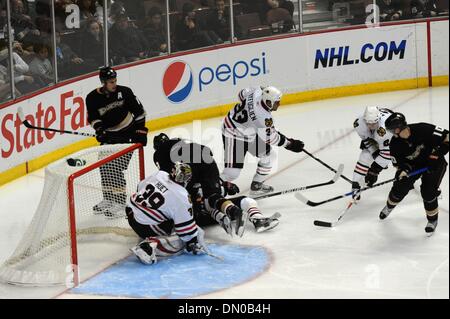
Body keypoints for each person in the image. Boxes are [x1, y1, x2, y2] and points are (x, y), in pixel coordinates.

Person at [85, 66, 148, 218]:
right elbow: (93, 118)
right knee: (104, 167)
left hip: (128, 134)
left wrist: (141, 131)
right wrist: (100, 130)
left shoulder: (125, 92)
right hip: (111, 137)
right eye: (111, 82)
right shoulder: (92, 98)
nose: (114, 84)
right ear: (103, 82)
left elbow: (140, 113)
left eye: (115, 81)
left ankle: (120, 202)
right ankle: (108, 198)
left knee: (115, 167)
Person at [221, 86, 305, 195]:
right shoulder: (264, 118)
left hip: (248, 132)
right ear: (268, 101)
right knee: (231, 174)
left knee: (269, 156)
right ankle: (211, 190)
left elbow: (241, 94)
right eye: (276, 102)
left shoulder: (255, 92)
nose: (278, 104)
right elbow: (272, 138)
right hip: (233, 134)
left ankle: (256, 186)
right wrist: (290, 144)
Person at [127, 162, 209, 265]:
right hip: (144, 225)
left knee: (170, 216)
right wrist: (193, 242)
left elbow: (139, 187)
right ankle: (148, 248)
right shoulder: (182, 196)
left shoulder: (160, 174)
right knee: (182, 241)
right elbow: (186, 233)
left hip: (130, 211)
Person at [380, 113, 449, 234]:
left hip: (434, 163)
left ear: (399, 127)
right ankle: (389, 206)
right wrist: (404, 170)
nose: (393, 133)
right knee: (399, 187)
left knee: (428, 192)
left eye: (393, 130)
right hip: (414, 166)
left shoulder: (423, 129)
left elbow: (447, 136)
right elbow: (399, 164)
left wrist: (438, 154)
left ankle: (432, 220)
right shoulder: (395, 144)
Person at [351, 106, 394, 201]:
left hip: (393, 138)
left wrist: (374, 171)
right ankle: (355, 185)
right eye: (368, 123)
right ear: (364, 119)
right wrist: (374, 152)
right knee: (365, 157)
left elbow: (387, 153)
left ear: (378, 119)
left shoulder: (385, 129)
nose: (371, 126)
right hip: (377, 138)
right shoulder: (359, 123)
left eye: (374, 123)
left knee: (397, 160)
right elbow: (366, 139)